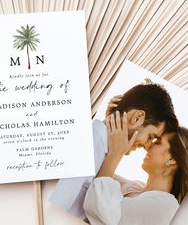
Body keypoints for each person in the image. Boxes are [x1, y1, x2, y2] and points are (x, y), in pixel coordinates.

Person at [49, 82, 179, 220]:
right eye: (151, 137)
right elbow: (54, 208)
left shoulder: (101, 149)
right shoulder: (90, 144)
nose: (147, 146)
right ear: (137, 118)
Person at [83, 113, 188, 225]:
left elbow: (102, 214)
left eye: (157, 142)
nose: (147, 146)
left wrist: (115, 154)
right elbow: (99, 174)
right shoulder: (135, 189)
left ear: (172, 159)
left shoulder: (166, 206)